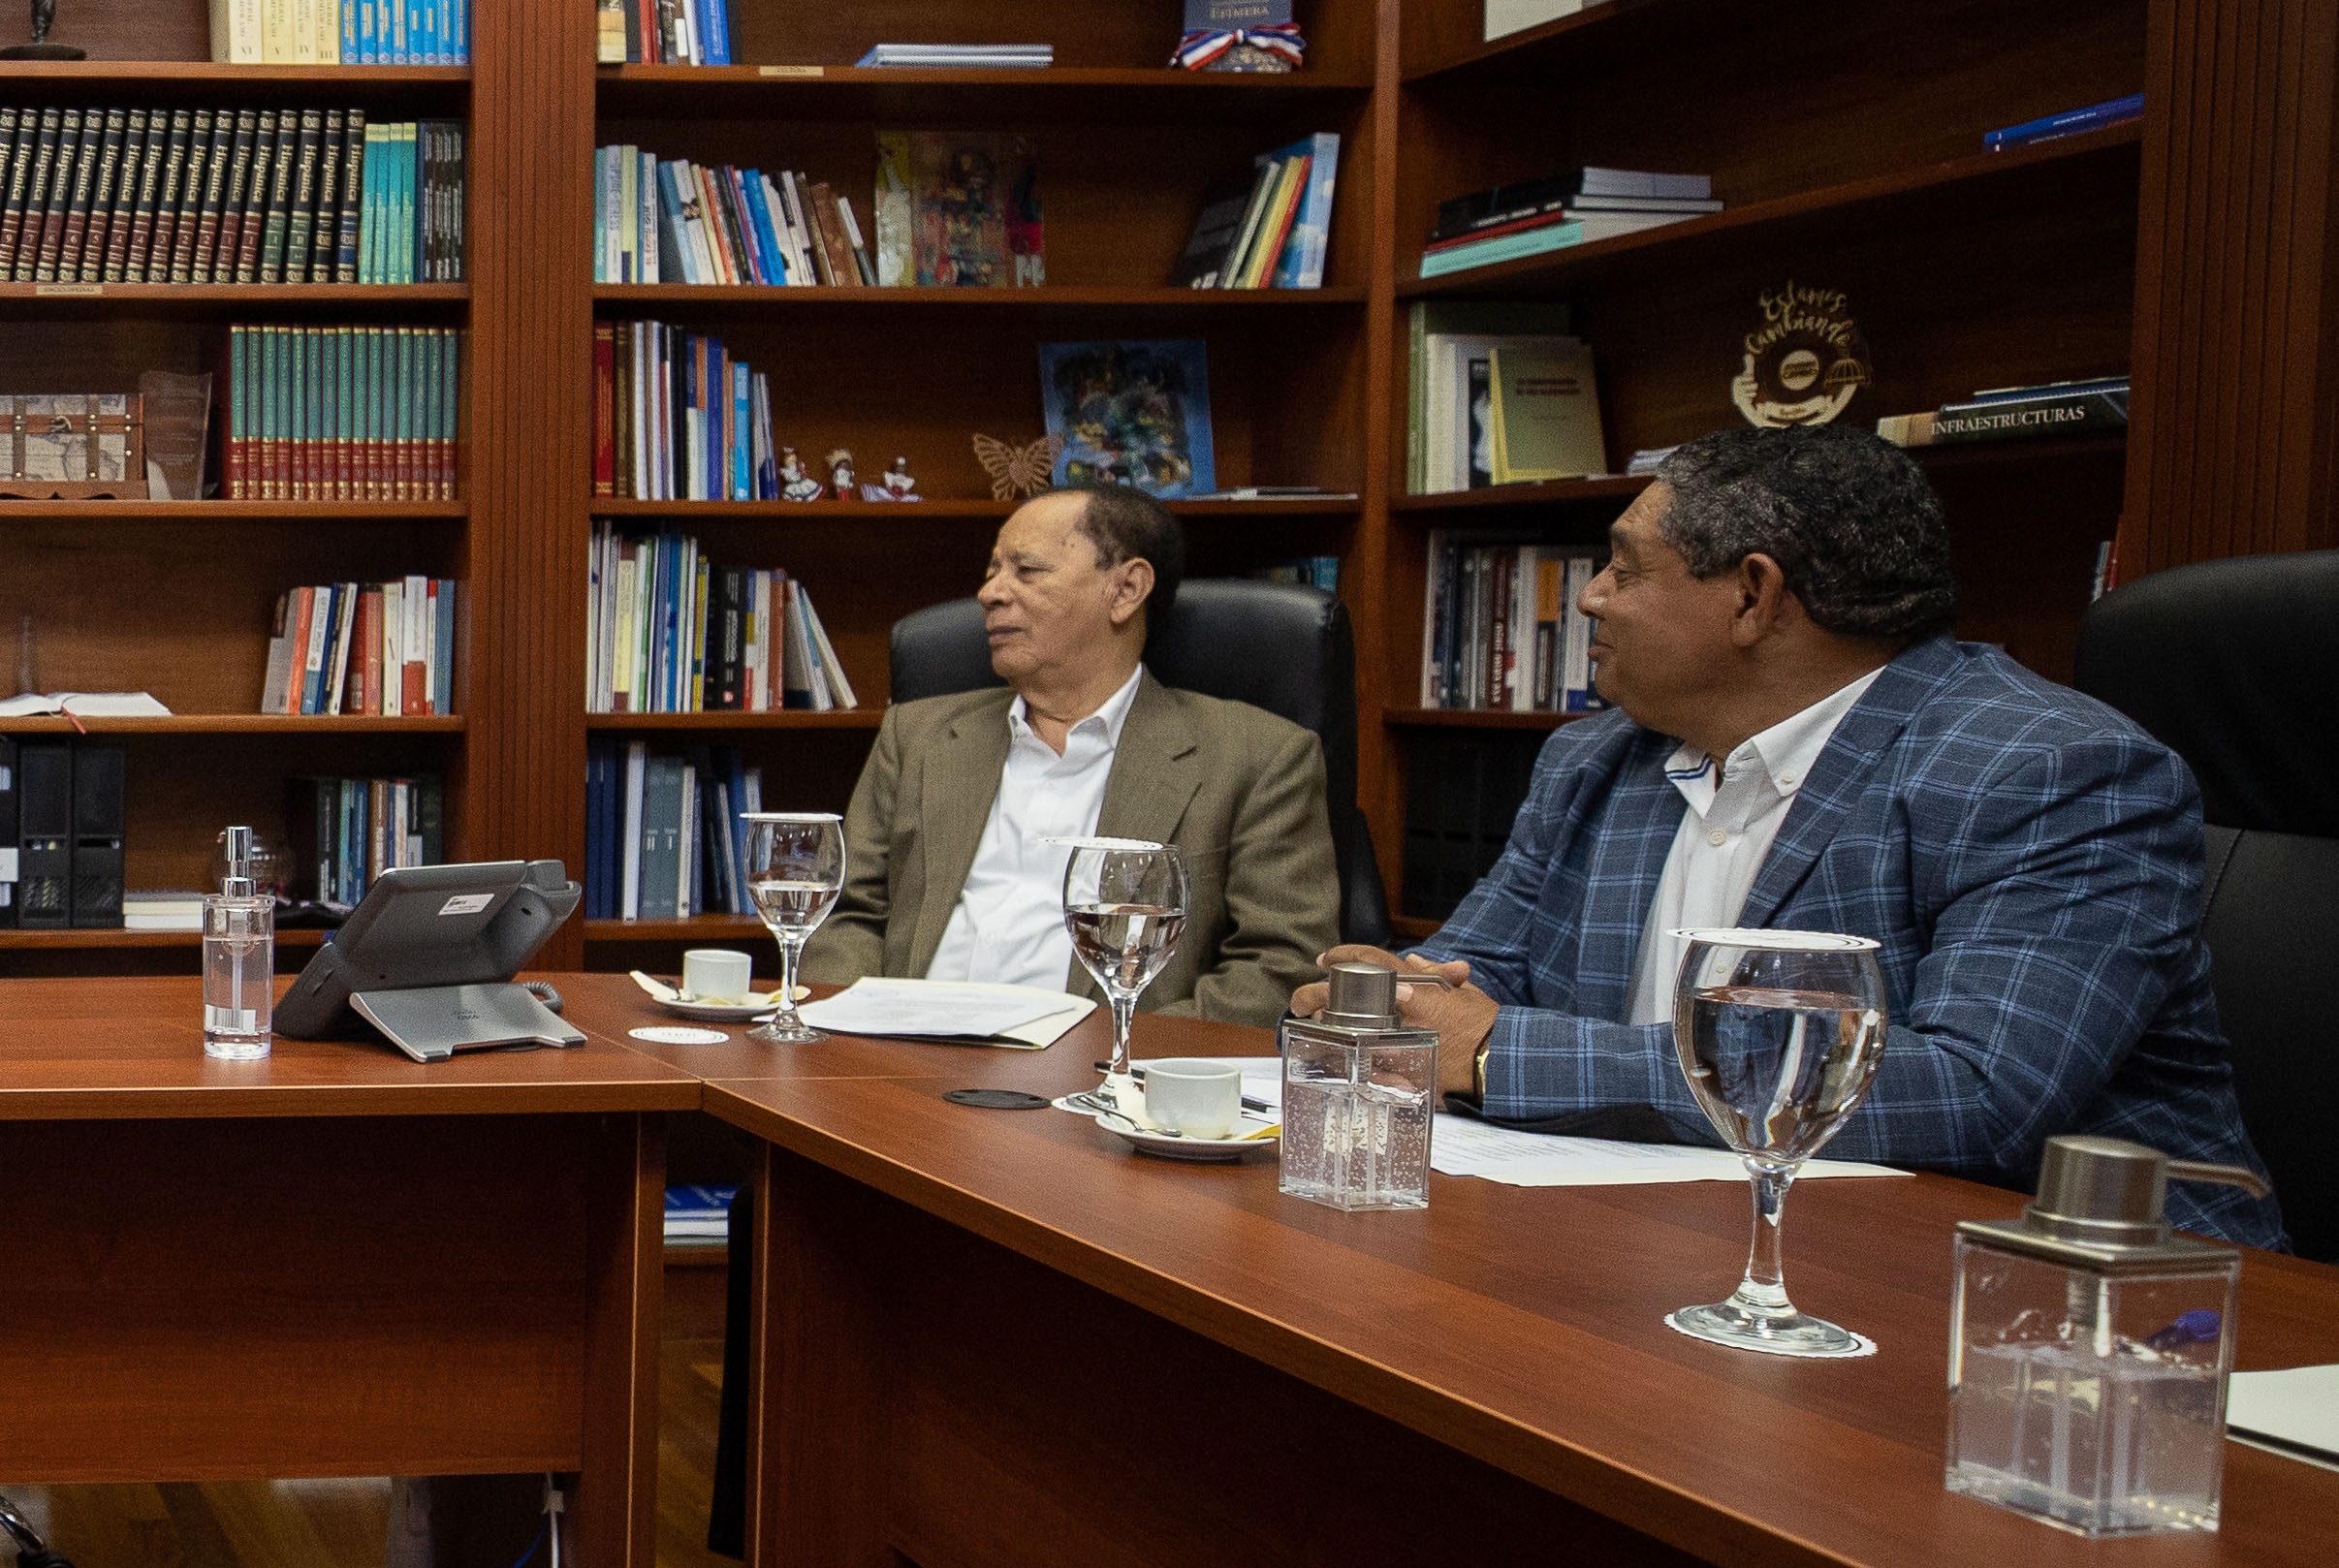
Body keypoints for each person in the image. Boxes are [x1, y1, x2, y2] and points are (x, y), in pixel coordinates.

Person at [1296, 428, 2274, 1242]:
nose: (1589, 597)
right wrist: (1394, 1004)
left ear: (1752, 596)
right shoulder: (1594, 758)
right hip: (1652, 1237)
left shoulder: (2050, 769)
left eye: (1623, 570)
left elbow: (1976, 1092)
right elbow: (1475, 981)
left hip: (2057, 1298)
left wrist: (1499, 1053)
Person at [795, 484, 1339, 1024]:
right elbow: (846, 915)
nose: (989, 592)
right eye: (993, 570)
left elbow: (1278, 963)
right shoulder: (918, 735)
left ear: (1126, 589)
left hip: (1103, 1064)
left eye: (1027, 570)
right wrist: (857, 1032)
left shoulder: (1258, 757)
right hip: (901, 1050)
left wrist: (1116, 1050)